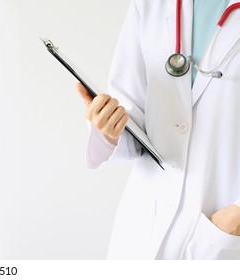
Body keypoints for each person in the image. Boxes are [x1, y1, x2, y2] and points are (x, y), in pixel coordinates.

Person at [77, 0, 240, 259]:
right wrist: (110, 130)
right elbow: (133, 116)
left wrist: (235, 219)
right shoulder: (150, 4)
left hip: (223, 237)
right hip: (141, 228)